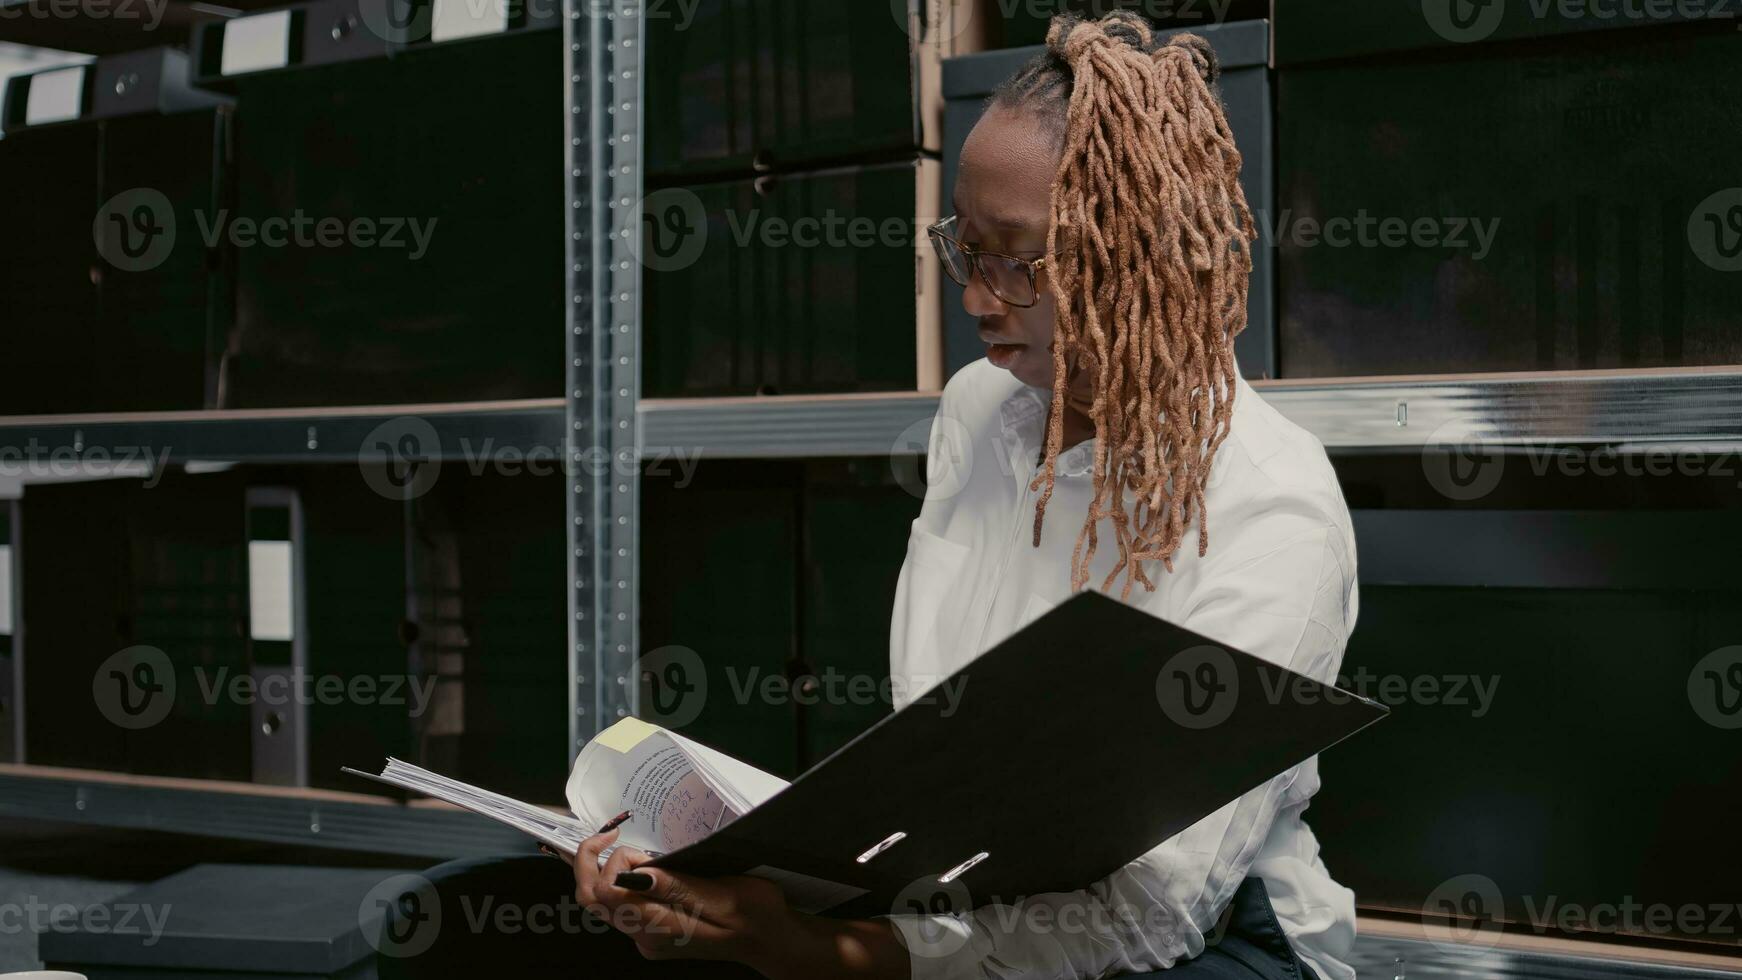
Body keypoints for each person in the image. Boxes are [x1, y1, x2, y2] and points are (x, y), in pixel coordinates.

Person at [383, 11, 1358, 980]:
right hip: (958, 896)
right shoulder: (982, 410)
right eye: (963, 247)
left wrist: (830, 952)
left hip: (1218, 940)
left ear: (1131, 246)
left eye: (1015, 258)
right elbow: (929, 763)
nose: (977, 298)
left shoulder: (1271, 506)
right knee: (485, 914)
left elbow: (1149, 919)